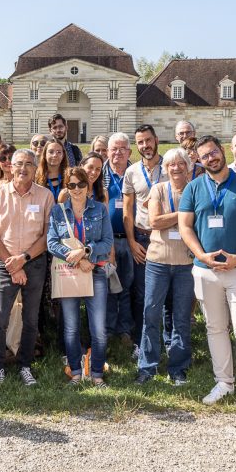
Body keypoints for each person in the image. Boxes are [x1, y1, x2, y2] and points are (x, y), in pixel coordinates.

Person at [177, 135, 236, 420]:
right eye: (205, 156)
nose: (211, 159)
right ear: (199, 161)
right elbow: (185, 226)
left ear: (223, 151)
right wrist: (200, 255)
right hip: (206, 271)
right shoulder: (193, 187)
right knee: (215, 328)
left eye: (214, 153)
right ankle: (223, 382)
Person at [0, 149, 54, 386]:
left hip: (33, 263)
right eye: (18, 164)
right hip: (5, 263)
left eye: (28, 164)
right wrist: (12, 264)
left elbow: (47, 237)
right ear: (10, 167)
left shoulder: (45, 196)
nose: (23, 168)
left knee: (31, 319)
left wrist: (23, 260)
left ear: (35, 169)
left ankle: (25, 365)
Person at [48, 166, 112, 386]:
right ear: (67, 187)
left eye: (81, 184)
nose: (77, 189)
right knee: (71, 327)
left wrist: (86, 252)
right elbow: (51, 243)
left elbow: (107, 242)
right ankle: (75, 372)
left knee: (99, 328)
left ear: (88, 185)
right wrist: (77, 259)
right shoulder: (58, 211)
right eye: (72, 185)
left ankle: (96, 373)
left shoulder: (99, 210)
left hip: (96, 272)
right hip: (70, 272)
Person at [140, 149, 195, 385]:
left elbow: (197, 220)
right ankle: (147, 367)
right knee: (151, 313)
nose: (176, 168)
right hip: (158, 261)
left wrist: (169, 217)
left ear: (188, 166)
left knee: (181, 317)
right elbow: (154, 221)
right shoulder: (158, 189)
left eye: (180, 164)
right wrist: (184, 215)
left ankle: (178, 367)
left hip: (186, 262)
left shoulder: (195, 190)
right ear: (166, 169)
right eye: (171, 164)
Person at [123, 125, 164, 353]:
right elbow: (127, 210)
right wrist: (131, 242)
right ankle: (141, 341)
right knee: (141, 293)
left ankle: (165, 340)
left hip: (167, 237)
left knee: (166, 293)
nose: (145, 146)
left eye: (148, 140)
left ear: (156, 140)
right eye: (140, 142)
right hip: (141, 237)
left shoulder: (171, 166)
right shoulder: (132, 172)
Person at [102, 133, 135, 347]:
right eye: (114, 148)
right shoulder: (99, 174)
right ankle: (106, 330)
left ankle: (125, 330)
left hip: (131, 239)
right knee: (107, 287)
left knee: (127, 286)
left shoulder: (136, 174)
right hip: (107, 240)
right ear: (107, 151)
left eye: (123, 148)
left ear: (129, 153)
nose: (118, 152)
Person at [37, 138, 67, 202]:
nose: (55, 155)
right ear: (45, 154)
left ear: (63, 155)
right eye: (51, 152)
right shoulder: (35, 176)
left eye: (59, 152)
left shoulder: (70, 176)